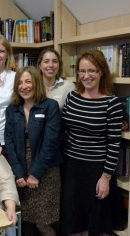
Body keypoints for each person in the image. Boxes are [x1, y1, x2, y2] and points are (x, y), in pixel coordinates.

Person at [61, 50, 124, 236]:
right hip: (71, 167)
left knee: (95, 223)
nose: (86, 76)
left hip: (96, 170)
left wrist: (106, 177)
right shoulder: (72, 97)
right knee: (72, 221)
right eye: (82, 71)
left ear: (101, 72)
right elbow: (63, 127)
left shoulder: (112, 103)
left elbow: (114, 144)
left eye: (92, 71)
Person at [5, 66, 63, 236]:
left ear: (36, 83)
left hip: (46, 170)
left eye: (28, 81)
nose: (24, 86)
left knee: (44, 222)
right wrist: (18, 173)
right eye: (20, 82)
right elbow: (9, 142)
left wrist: (35, 174)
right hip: (21, 172)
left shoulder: (50, 106)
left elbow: (51, 143)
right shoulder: (12, 109)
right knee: (26, 221)